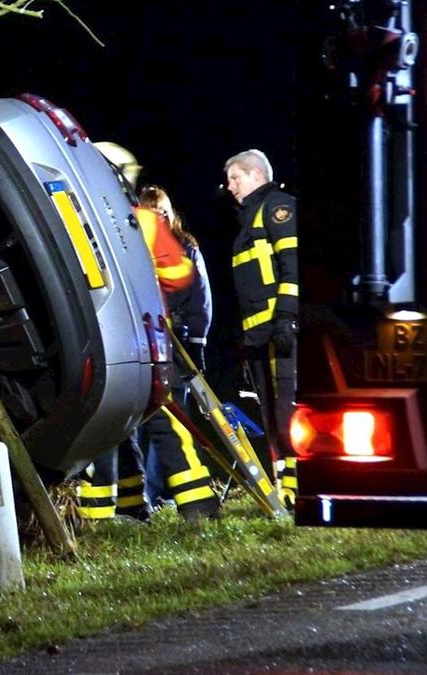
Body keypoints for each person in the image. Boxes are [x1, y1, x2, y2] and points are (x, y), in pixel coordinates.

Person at [74, 143, 198, 522]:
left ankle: (104, 513)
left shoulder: (76, 218)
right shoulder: (142, 220)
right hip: (148, 338)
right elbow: (180, 274)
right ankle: (190, 504)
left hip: (103, 339)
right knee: (158, 422)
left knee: (108, 420)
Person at [136, 186, 220, 520]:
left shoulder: (185, 248)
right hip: (141, 345)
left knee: (173, 418)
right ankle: (144, 492)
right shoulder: (132, 249)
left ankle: (160, 491)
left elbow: (201, 299)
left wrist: (197, 342)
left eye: (161, 210)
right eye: (149, 210)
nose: (156, 217)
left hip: (177, 344)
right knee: (139, 422)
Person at [224, 149, 299, 508]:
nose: (230, 186)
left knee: (287, 411)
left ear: (256, 175)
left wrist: (286, 316)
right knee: (271, 414)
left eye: (235, 178)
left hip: (279, 331)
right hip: (259, 336)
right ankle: (284, 489)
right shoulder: (248, 221)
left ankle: (299, 487)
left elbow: (292, 265)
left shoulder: (277, 207)